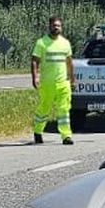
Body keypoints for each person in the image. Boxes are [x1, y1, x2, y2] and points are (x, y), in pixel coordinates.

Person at [30, 16, 75, 145]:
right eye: (54, 25)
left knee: (64, 110)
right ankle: (38, 132)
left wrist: (72, 79)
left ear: (61, 27)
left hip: (63, 83)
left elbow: (69, 62)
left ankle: (66, 135)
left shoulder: (65, 43)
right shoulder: (41, 43)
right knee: (44, 109)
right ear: (49, 26)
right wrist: (35, 77)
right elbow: (34, 61)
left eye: (58, 25)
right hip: (47, 83)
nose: (56, 27)